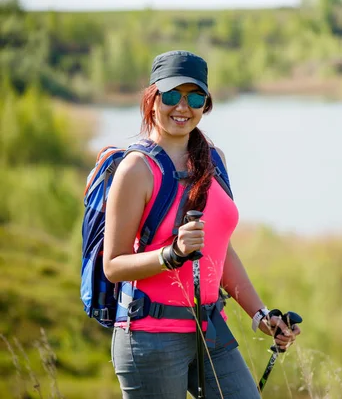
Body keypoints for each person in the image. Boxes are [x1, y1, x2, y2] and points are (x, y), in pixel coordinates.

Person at [103, 50, 301, 399]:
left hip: (210, 329)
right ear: (152, 100)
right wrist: (172, 254)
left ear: (205, 104)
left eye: (195, 97)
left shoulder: (215, 161)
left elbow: (218, 251)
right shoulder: (135, 169)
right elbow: (114, 265)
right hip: (149, 338)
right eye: (171, 95)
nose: (182, 107)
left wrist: (261, 314)